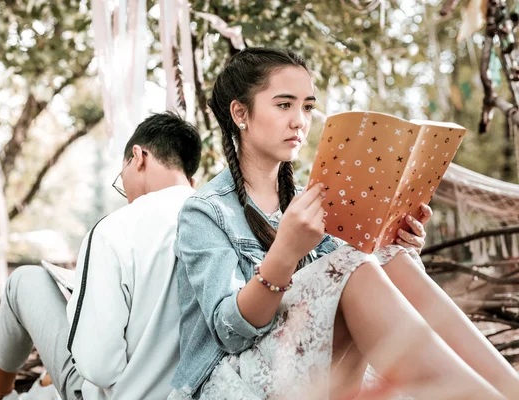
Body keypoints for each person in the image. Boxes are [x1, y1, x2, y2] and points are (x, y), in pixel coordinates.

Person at [168, 48, 519, 400]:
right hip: (235, 381)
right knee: (353, 264)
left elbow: (370, 296)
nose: (300, 121)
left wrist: (400, 243)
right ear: (240, 112)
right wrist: (285, 252)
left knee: (388, 258)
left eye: (307, 106)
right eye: (284, 105)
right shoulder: (205, 212)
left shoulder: (312, 198)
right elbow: (231, 332)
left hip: (317, 364)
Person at [0, 112, 202, 400]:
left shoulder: (116, 229)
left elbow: (100, 368)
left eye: (122, 178)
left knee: (23, 280)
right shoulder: (219, 220)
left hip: (117, 395)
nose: (125, 192)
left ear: (138, 156)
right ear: (190, 178)